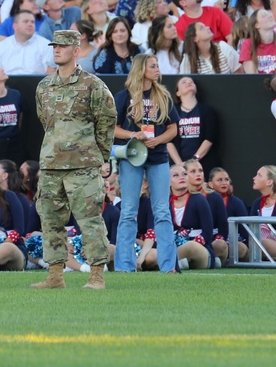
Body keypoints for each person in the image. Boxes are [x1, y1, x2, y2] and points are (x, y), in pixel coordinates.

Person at [32, 30, 115, 289]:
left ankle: (96, 275)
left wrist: (100, 155)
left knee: (89, 219)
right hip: (51, 164)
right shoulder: (44, 86)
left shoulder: (93, 84)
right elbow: (45, 121)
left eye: (63, 46)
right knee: (50, 219)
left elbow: (107, 120)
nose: (57, 50)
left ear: (76, 50)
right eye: (55, 46)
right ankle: (55, 275)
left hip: (83, 165)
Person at [113, 54, 180, 274]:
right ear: (141, 69)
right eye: (153, 66)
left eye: (158, 65)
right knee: (128, 211)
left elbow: (173, 128)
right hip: (132, 156)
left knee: (162, 211)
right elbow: (112, 128)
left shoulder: (163, 96)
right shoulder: (124, 97)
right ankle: (124, 267)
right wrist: (135, 134)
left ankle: (169, 266)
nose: (157, 69)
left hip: (158, 156)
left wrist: (157, 140)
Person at [169, 76, 216, 164]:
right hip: (179, 165)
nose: (189, 83)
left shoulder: (207, 110)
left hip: (202, 164)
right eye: (184, 82)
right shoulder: (172, 112)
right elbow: (168, 141)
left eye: (191, 82)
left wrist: (193, 161)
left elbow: (209, 139)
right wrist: (180, 164)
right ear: (178, 93)